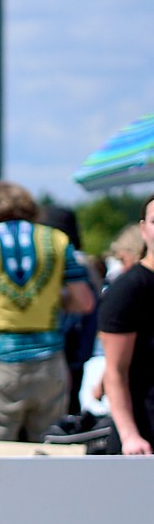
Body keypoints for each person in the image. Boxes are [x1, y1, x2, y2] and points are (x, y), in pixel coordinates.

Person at [0, 180, 94, 444]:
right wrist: (56, 300)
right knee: (48, 447)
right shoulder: (55, 239)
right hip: (49, 360)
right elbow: (84, 302)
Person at [99, 194, 154, 456]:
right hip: (145, 432)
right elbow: (114, 371)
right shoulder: (128, 289)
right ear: (143, 229)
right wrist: (130, 435)